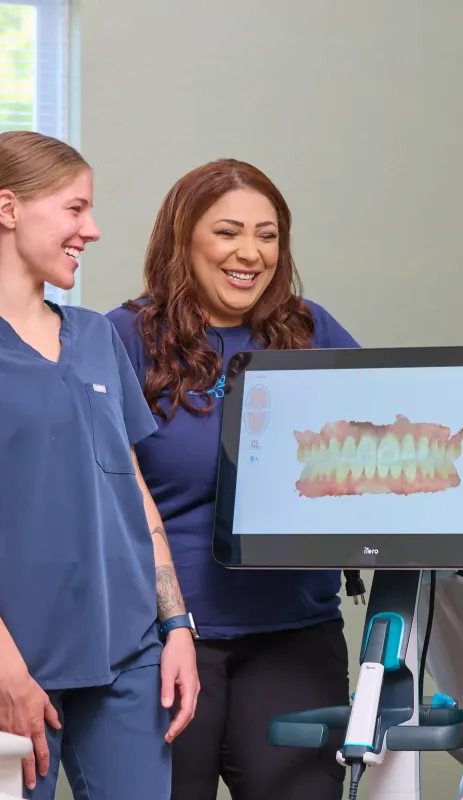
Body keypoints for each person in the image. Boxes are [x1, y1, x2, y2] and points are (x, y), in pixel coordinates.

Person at [0, 130, 199, 800]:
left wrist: (176, 626)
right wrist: (7, 674)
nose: (93, 229)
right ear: (8, 209)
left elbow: (132, 491)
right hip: (7, 666)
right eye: (75, 209)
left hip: (129, 657)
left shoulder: (96, 338)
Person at [107, 158, 360, 800]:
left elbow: (375, 458)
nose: (251, 252)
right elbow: (107, 498)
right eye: (227, 232)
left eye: (268, 234)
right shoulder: (125, 339)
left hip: (294, 638)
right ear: (182, 238)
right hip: (161, 643)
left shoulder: (310, 332)